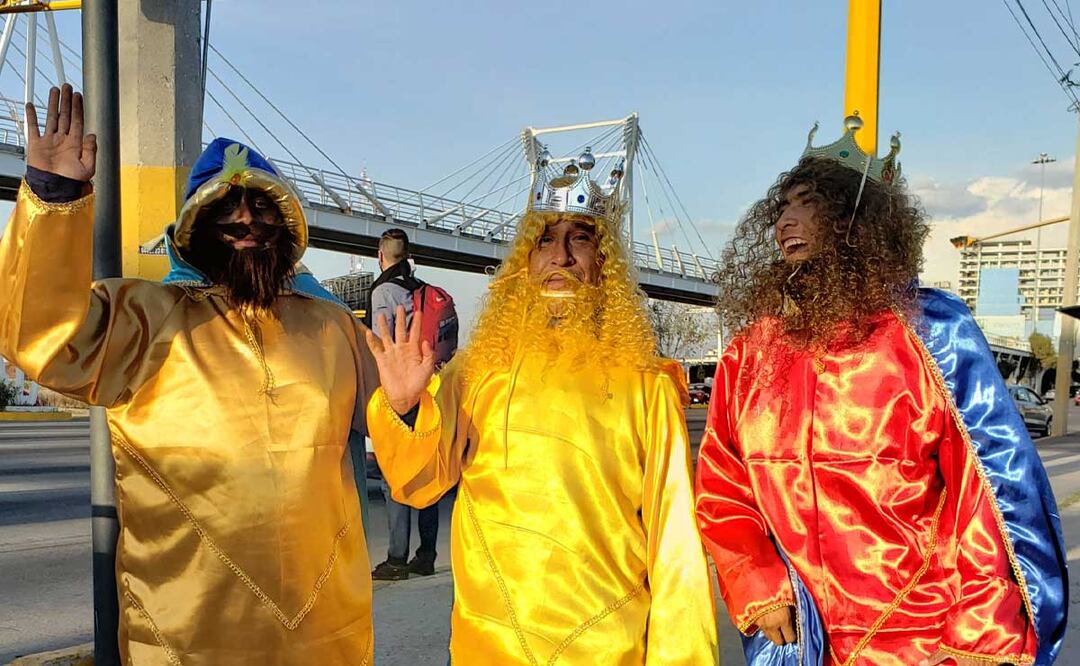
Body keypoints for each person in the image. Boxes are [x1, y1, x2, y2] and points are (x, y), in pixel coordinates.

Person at [0, 85, 380, 663]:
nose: (246, 221)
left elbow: (405, 427)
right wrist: (55, 197)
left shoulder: (332, 326)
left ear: (287, 227)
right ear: (192, 228)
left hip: (326, 632)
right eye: (225, 209)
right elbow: (40, 336)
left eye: (262, 208)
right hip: (187, 636)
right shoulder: (143, 317)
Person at [695, 117, 1068, 665]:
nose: (786, 221)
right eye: (783, 207)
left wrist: (980, 626)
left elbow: (983, 491)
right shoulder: (751, 352)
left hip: (920, 634)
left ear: (857, 219)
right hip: (799, 637)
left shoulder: (930, 333)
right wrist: (757, 581)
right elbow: (722, 483)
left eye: (809, 204)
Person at [363, 148, 718, 664]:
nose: (561, 257)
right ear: (525, 261)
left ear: (605, 263)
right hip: (490, 645)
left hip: (607, 648)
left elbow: (676, 546)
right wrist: (403, 406)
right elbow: (417, 483)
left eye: (581, 239)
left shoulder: (647, 385)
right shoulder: (478, 371)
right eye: (545, 240)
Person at [369, 228, 441, 580]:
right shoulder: (423, 289)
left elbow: (382, 343)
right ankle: (425, 556)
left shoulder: (383, 291)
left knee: (395, 473)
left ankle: (396, 559)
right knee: (426, 471)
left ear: (380, 255)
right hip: (430, 391)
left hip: (400, 395)